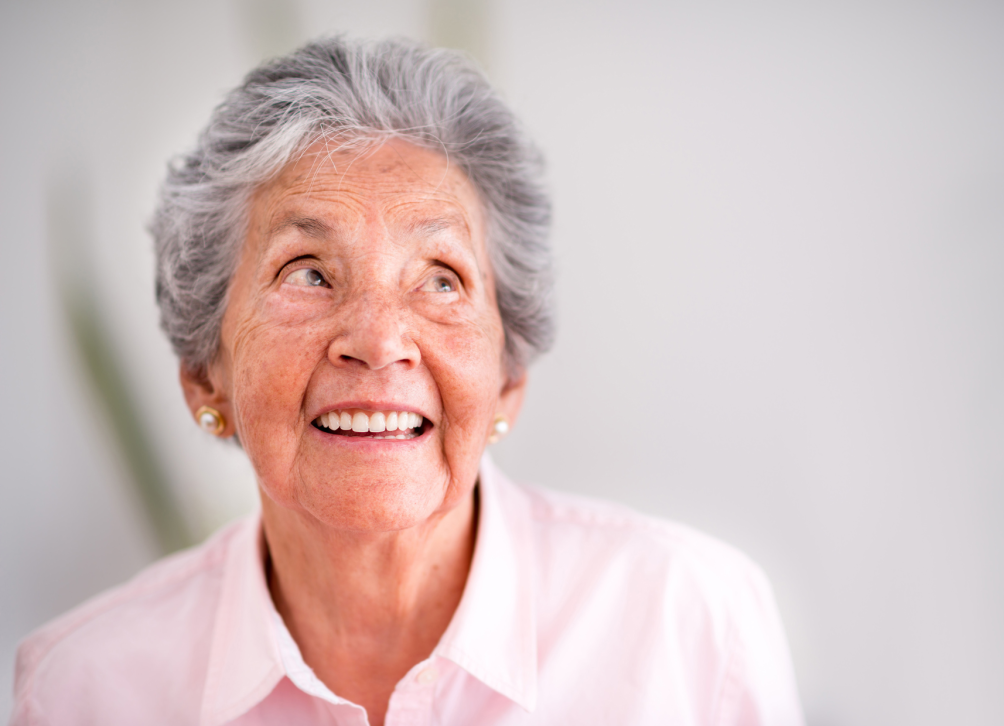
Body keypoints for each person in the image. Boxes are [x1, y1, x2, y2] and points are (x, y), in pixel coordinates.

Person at [10, 37, 804, 725]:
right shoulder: (80, 689)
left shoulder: (694, 625)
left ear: (508, 380)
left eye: (442, 279)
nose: (380, 341)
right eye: (308, 272)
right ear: (201, 377)